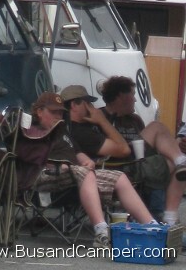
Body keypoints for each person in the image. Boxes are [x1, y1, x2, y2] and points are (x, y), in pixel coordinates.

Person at [29, 90, 156, 249]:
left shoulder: (62, 131)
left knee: (119, 177)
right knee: (84, 172)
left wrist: (88, 161)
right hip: (46, 175)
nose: (58, 116)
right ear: (39, 111)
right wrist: (60, 165)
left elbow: (78, 153)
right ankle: (101, 232)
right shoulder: (31, 131)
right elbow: (30, 158)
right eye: (53, 112)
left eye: (61, 113)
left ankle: (152, 227)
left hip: (74, 174)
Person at [100, 75, 186, 226]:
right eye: (132, 94)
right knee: (156, 127)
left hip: (141, 162)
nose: (135, 99)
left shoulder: (134, 120)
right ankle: (168, 217)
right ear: (120, 96)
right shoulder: (101, 117)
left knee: (177, 164)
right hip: (122, 165)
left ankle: (169, 219)